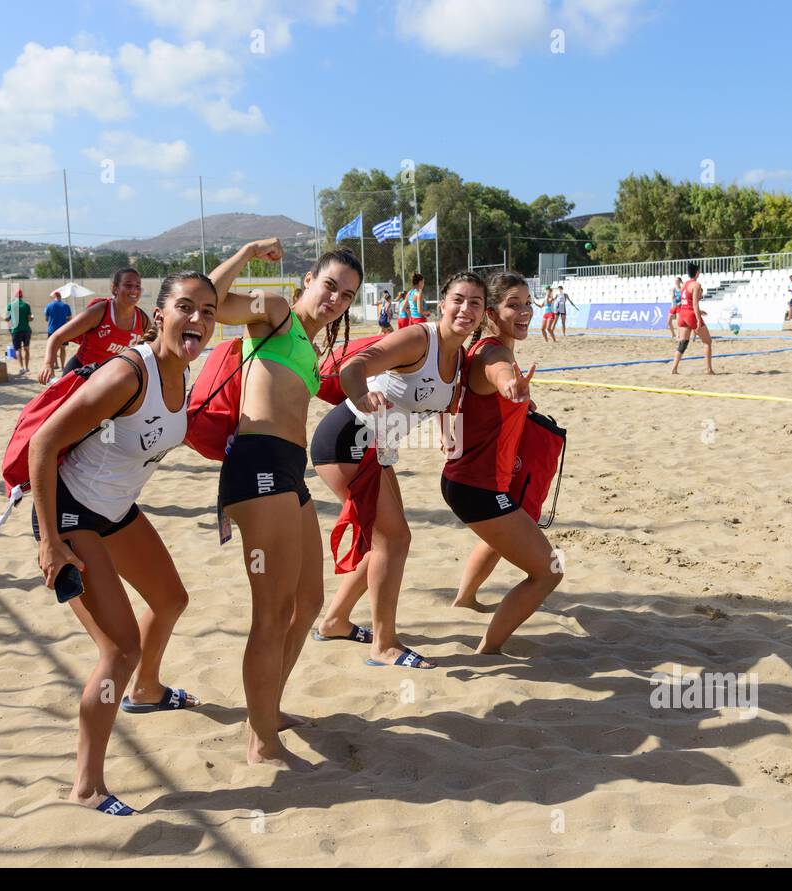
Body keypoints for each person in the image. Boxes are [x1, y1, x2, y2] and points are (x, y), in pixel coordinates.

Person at [30, 271, 216, 816]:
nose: (198, 320)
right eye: (186, 307)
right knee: (119, 650)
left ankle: (148, 692)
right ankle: (86, 787)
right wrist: (49, 542)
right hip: (69, 515)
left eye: (208, 311)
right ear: (159, 315)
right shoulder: (129, 372)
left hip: (115, 512)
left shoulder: (185, 372)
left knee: (172, 600)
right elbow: (44, 444)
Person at [210, 238, 361, 770]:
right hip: (257, 463)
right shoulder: (273, 313)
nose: (335, 299)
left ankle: (267, 710)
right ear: (306, 282)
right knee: (271, 613)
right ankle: (260, 740)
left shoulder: (311, 345)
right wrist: (247, 251)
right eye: (329, 286)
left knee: (309, 603)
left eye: (346, 295)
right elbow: (210, 298)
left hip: (290, 471)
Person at [310, 270, 483, 669]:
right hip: (347, 439)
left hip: (378, 449)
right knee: (395, 539)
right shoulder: (419, 338)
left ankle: (335, 621)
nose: (466, 309)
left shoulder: (458, 357)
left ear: (483, 313)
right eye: (458, 299)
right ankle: (384, 645)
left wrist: (448, 436)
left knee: (385, 541)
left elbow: (448, 404)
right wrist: (361, 394)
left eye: (476, 303)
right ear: (442, 303)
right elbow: (353, 367)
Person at [444, 271, 562, 653]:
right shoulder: (494, 355)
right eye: (514, 304)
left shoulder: (492, 348)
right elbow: (500, 377)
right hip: (477, 487)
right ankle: (489, 650)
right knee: (547, 572)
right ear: (491, 312)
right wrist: (511, 386)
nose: (525, 311)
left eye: (528, 303)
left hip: (469, 481)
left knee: (502, 534)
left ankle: (464, 599)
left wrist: (521, 401)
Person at [38, 269, 148, 383]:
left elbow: (153, 350)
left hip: (111, 379)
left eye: (138, 286)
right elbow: (57, 337)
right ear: (115, 288)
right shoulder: (100, 311)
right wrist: (48, 364)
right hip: (83, 373)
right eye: (128, 285)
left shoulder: (143, 320)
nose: (134, 290)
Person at [670, 262, 714, 374]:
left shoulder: (684, 285)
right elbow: (694, 304)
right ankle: (709, 369)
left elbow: (686, 303)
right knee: (707, 342)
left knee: (683, 344)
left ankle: (674, 368)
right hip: (690, 315)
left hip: (682, 315)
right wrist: (698, 318)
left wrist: (699, 312)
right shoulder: (696, 285)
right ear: (697, 272)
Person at [44, 291, 73, 374]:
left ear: (54, 297)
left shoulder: (49, 305)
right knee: (63, 348)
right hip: (63, 330)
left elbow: (46, 318)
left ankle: (55, 364)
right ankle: (63, 366)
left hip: (52, 329)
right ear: (60, 297)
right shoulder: (66, 306)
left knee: (53, 348)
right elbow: (70, 318)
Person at [6, 288, 33, 375]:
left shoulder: (10, 305)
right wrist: (32, 317)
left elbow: (7, 318)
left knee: (18, 350)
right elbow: (29, 318)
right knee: (26, 348)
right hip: (26, 329)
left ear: (15, 295)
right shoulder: (26, 305)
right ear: (22, 295)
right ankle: (27, 367)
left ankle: (21, 368)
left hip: (16, 330)